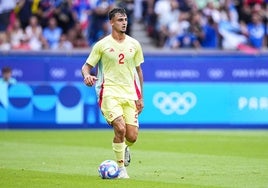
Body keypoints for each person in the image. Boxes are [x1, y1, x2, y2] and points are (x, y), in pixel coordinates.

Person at [81, 7, 144, 179]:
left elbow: (138, 72)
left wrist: (140, 97)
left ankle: (125, 148)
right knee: (120, 128)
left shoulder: (134, 44)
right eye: (120, 20)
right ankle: (121, 169)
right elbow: (86, 67)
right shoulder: (102, 45)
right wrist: (87, 76)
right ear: (111, 22)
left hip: (129, 94)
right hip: (108, 92)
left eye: (125, 20)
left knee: (132, 136)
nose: (124, 23)